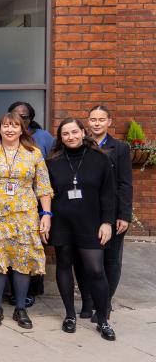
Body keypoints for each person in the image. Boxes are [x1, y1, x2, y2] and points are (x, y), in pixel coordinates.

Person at [0, 112, 53, 330]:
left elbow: (43, 186)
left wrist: (47, 215)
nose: (10, 130)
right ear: (0, 129)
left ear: (21, 129)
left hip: (25, 216)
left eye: (14, 126)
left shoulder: (33, 154)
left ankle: (21, 308)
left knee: (23, 260)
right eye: (6, 126)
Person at [45, 118, 116, 341]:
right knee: (64, 265)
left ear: (83, 132)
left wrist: (107, 222)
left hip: (91, 223)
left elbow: (108, 193)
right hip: (62, 223)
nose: (71, 137)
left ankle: (103, 318)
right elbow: (46, 194)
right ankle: (69, 315)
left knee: (96, 269)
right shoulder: (53, 162)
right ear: (60, 137)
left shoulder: (100, 159)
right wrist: (45, 218)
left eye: (74, 132)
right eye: (65, 134)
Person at [79, 105, 133, 322]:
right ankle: (88, 302)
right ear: (88, 121)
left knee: (111, 259)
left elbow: (125, 184)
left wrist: (124, 215)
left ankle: (105, 303)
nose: (97, 123)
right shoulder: (82, 145)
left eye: (101, 119)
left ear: (109, 121)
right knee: (85, 260)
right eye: (93, 119)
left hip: (112, 213)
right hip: (86, 212)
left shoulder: (119, 148)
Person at [6, 101, 54, 306]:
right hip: (9, 204)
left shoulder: (43, 138)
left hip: (35, 203)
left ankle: (31, 291)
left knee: (31, 248)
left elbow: (51, 168)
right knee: (11, 247)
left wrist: (47, 210)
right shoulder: (5, 137)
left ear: (30, 118)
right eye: (16, 115)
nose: (20, 119)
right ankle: (12, 291)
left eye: (24, 116)